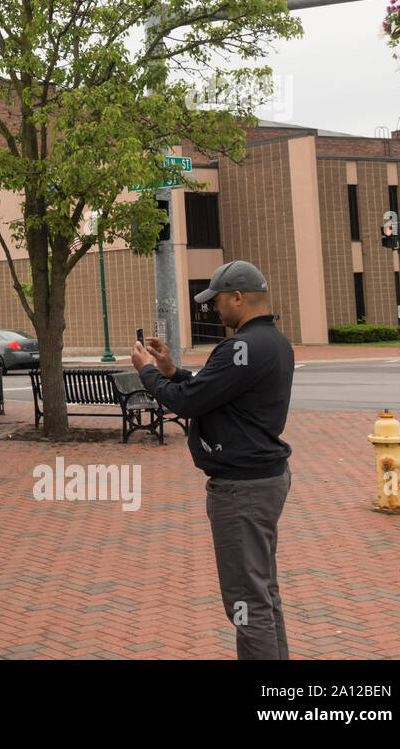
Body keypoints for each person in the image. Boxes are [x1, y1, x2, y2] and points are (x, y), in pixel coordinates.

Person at [131, 260, 294, 660]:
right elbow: (213, 393)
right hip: (265, 479)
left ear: (238, 297)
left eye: (217, 300)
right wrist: (171, 369)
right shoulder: (275, 343)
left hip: (241, 490)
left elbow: (186, 403)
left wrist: (149, 374)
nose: (213, 309)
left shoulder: (239, 347)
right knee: (262, 591)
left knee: (245, 603)